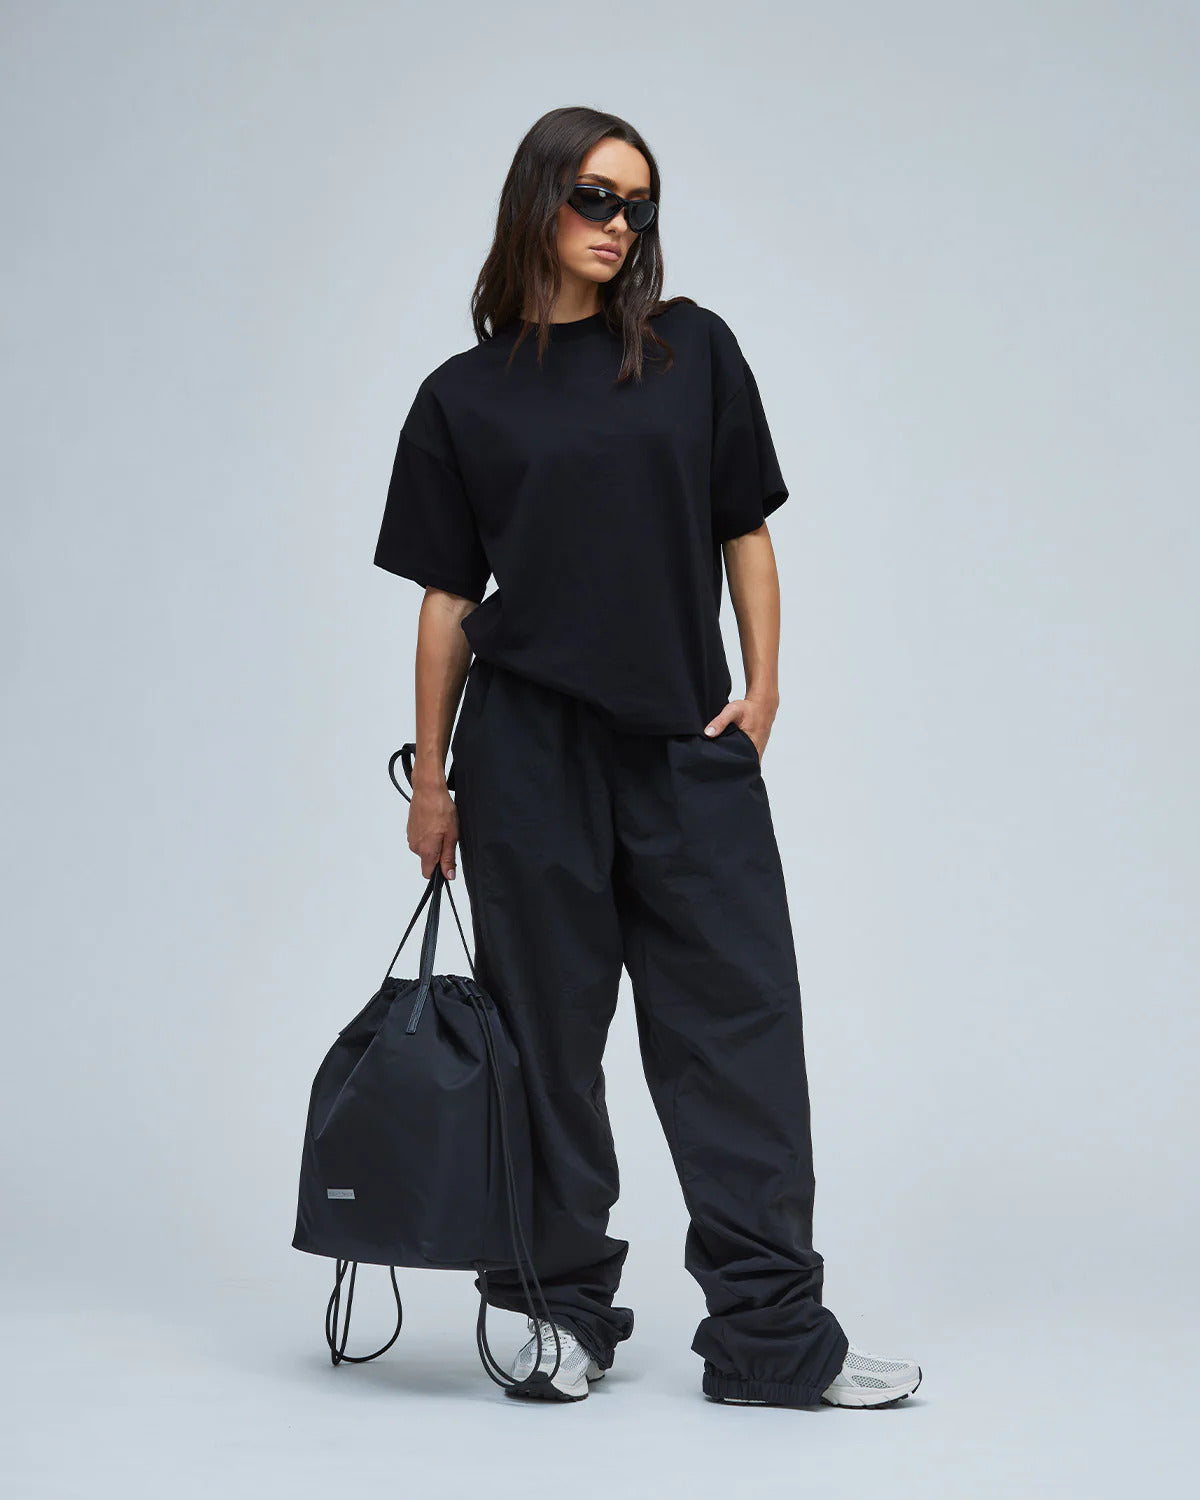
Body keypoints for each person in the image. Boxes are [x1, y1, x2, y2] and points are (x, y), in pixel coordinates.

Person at [372, 106, 923, 1410]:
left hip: (685, 746)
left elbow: (747, 530)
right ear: (537, 203)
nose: (622, 226)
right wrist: (438, 782)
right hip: (526, 759)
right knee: (546, 1044)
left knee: (740, 1035)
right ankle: (554, 1313)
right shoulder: (465, 398)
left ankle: (772, 1340)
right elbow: (448, 601)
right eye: (597, 198)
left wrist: (766, 685)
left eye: (641, 205)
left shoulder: (694, 353)